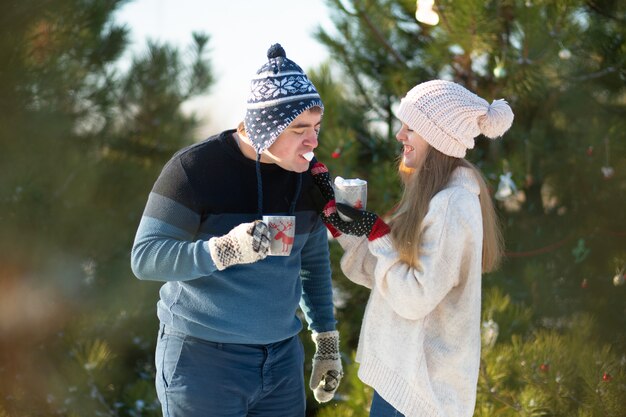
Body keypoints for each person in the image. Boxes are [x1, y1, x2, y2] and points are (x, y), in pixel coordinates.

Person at [131, 43, 342, 417]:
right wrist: (224, 250)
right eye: (299, 129)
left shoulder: (306, 177)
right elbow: (146, 259)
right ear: (265, 128)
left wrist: (326, 340)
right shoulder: (194, 170)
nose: (313, 141)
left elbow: (312, 263)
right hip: (204, 363)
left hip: (281, 363)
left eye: (316, 128)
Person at [311, 80, 514, 417]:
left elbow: (412, 297)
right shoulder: (436, 197)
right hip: (407, 384)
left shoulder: (452, 205)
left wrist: (377, 233)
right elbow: (390, 276)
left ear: (437, 137)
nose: (399, 135)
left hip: (423, 393)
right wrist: (341, 226)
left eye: (411, 128)